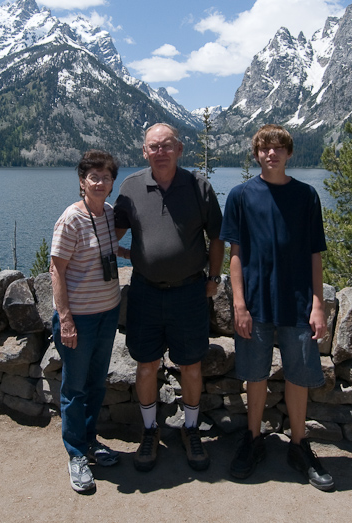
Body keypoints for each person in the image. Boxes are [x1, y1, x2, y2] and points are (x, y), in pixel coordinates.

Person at [220, 124, 335, 491]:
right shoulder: (240, 196)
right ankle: (253, 439)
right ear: (257, 154)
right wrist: (239, 304)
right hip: (254, 304)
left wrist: (317, 304)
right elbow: (234, 255)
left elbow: (315, 255)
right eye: (265, 149)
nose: (271, 154)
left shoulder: (306, 196)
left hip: (298, 304)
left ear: (288, 153)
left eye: (278, 148)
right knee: (255, 375)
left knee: (299, 376)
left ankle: (299, 447)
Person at [113, 123, 224, 473]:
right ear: (144, 152)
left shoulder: (198, 187)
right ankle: (150, 431)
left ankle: (191, 430)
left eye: (166, 145)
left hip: (190, 291)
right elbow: (108, 232)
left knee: (190, 364)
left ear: (179, 149)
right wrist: (129, 255)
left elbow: (217, 237)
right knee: (145, 364)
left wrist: (214, 278)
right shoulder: (131, 188)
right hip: (145, 292)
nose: (159, 151)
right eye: (153, 146)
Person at [50, 149, 122, 494]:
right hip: (78, 318)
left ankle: (90, 441)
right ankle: (75, 453)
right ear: (82, 182)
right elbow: (56, 270)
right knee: (74, 388)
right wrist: (65, 319)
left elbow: (107, 251)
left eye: (106, 177)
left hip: (108, 314)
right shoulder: (70, 219)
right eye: (94, 176)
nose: (100, 182)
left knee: (96, 384)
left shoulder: (108, 214)